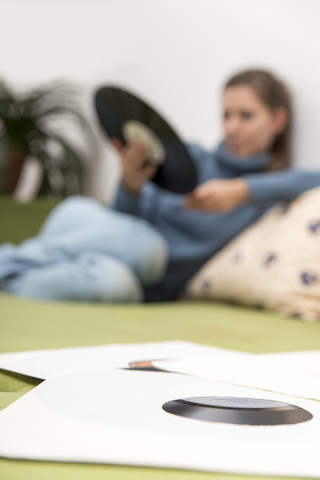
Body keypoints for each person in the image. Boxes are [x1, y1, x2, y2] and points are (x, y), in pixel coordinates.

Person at [1, 68, 320, 302]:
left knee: (117, 286)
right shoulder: (188, 157)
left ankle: (10, 279)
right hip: (88, 227)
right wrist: (130, 185)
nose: (231, 127)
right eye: (226, 115)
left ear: (278, 120)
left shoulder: (264, 196)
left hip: (130, 277)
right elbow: (122, 223)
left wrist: (242, 191)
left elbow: (312, 179)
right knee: (149, 248)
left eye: (245, 116)